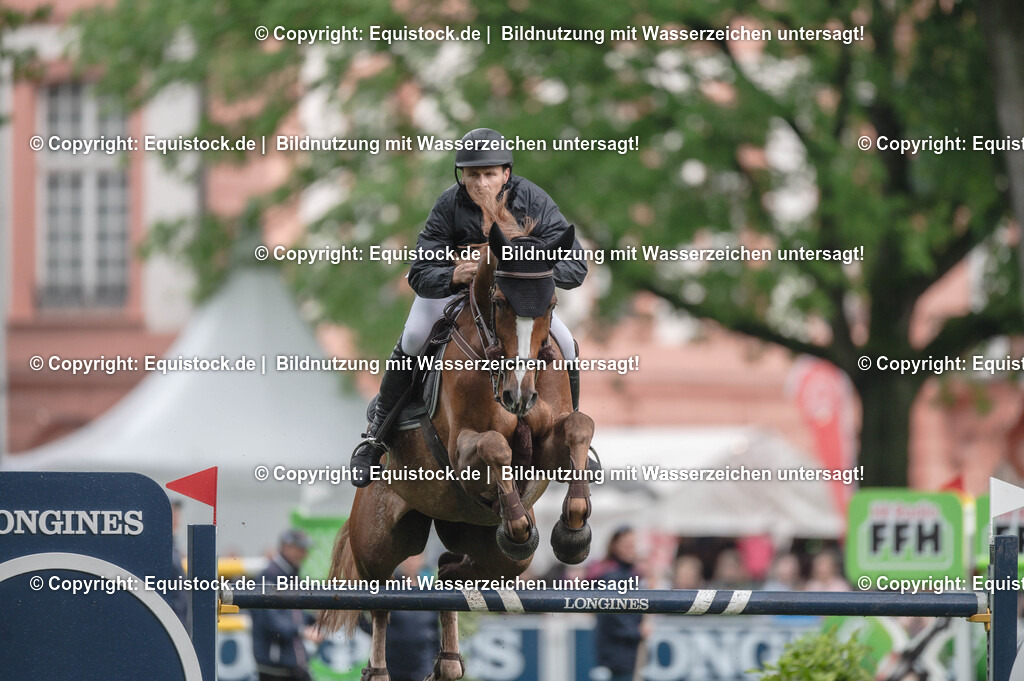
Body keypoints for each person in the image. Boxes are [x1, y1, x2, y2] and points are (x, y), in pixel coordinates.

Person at [350, 127, 588, 486]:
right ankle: (375, 436)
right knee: (414, 336)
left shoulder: (533, 200)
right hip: (457, 293)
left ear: (506, 173)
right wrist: (452, 274)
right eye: (472, 174)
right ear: (461, 175)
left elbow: (576, 265)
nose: (480, 183)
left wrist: (533, 267)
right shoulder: (449, 204)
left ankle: (574, 438)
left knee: (566, 344)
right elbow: (420, 270)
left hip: (515, 299)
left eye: (489, 174)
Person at [251, 529, 322, 681]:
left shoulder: (289, 574)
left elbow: (292, 614)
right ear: (287, 547)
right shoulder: (270, 575)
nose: (305, 554)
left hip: (286, 662)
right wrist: (303, 631)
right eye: (300, 549)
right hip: (276, 665)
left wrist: (314, 618)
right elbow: (271, 621)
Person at [357, 554, 440, 681]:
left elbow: (436, 626)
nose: (411, 562)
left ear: (422, 560)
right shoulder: (389, 586)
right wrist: (379, 635)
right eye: (407, 557)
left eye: (415, 557)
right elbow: (361, 615)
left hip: (424, 662)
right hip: (393, 663)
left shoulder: (431, 588)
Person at [592, 526, 648, 681]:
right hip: (615, 653)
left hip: (627, 652)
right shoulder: (612, 576)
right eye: (627, 545)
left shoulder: (631, 575)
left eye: (633, 545)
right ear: (615, 546)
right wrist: (637, 631)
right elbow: (613, 614)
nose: (632, 550)